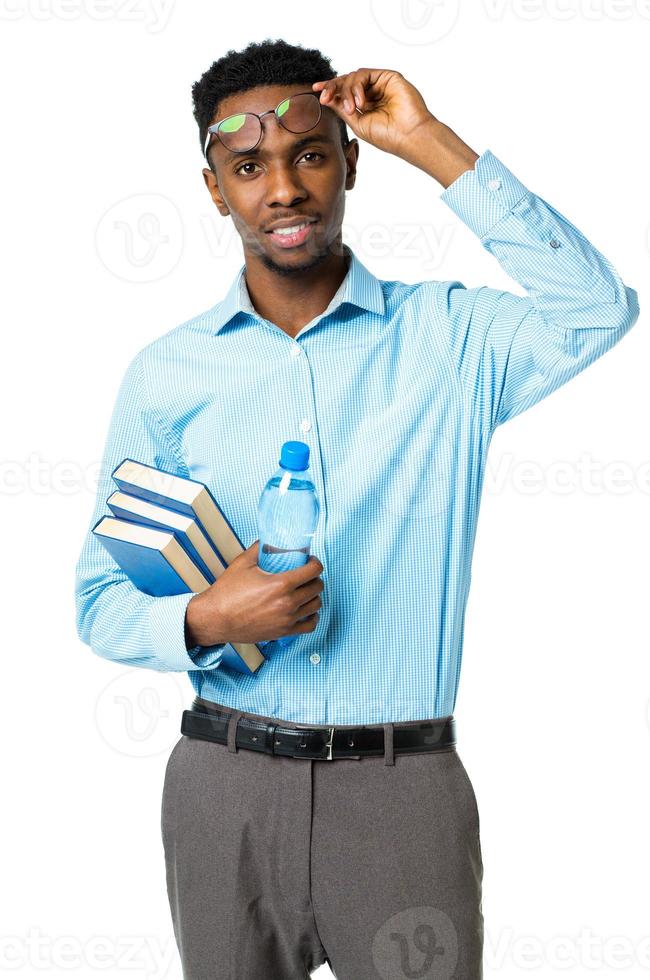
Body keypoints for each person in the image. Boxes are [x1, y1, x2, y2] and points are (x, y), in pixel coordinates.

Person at [74, 37, 639, 980]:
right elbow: (98, 598)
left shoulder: (453, 338)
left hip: (402, 793)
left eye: (309, 153)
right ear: (215, 189)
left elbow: (596, 309)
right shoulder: (167, 374)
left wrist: (433, 143)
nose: (283, 188)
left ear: (349, 163)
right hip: (225, 788)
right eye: (247, 166)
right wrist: (209, 616)